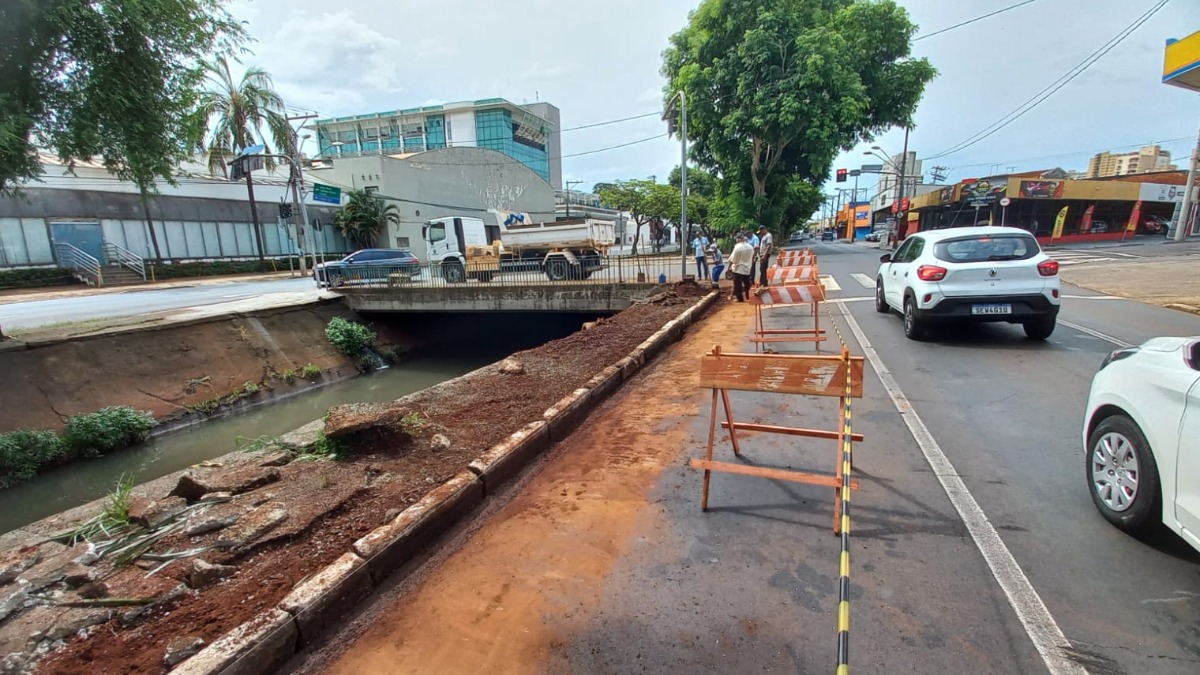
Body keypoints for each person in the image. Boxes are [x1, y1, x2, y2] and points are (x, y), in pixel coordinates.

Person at [728, 234, 755, 302]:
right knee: (747, 284)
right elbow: (753, 257)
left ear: (739, 239)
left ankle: (740, 299)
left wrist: (728, 267)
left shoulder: (737, 248)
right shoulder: (750, 247)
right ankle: (749, 297)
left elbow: (732, 259)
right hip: (747, 268)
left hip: (738, 269)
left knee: (738, 285)